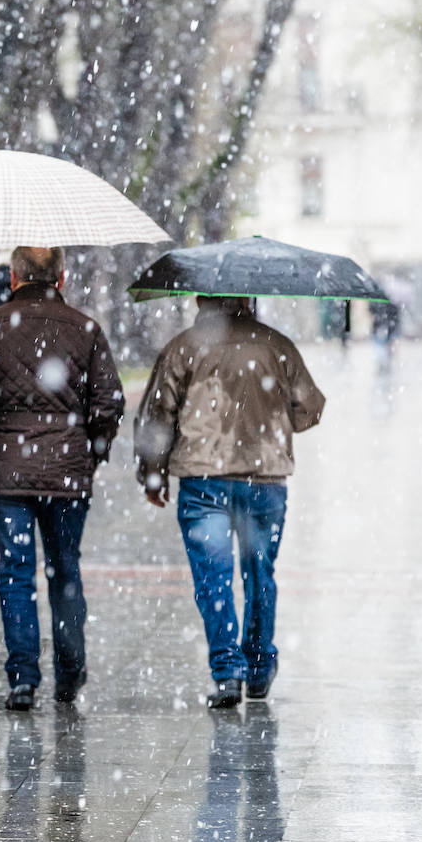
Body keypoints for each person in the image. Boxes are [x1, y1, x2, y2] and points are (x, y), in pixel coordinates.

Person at [134, 295, 324, 709]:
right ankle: (258, 667)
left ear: (202, 298)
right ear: (250, 298)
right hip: (265, 478)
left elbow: (157, 415)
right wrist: (270, 416)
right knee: (259, 574)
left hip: (204, 479)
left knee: (212, 578)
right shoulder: (277, 345)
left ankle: (227, 673)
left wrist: (153, 472)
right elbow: (309, 409)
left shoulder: (184, 347)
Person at [0, 246, 124, 710]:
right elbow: (109, 403)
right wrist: (91, 454)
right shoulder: (86, 329)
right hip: (67, 472)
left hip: (8, 473)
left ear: (14, 278)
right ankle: (69, 670)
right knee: (65, 569)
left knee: (15, 575)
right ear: (61, 278)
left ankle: (22, 677)